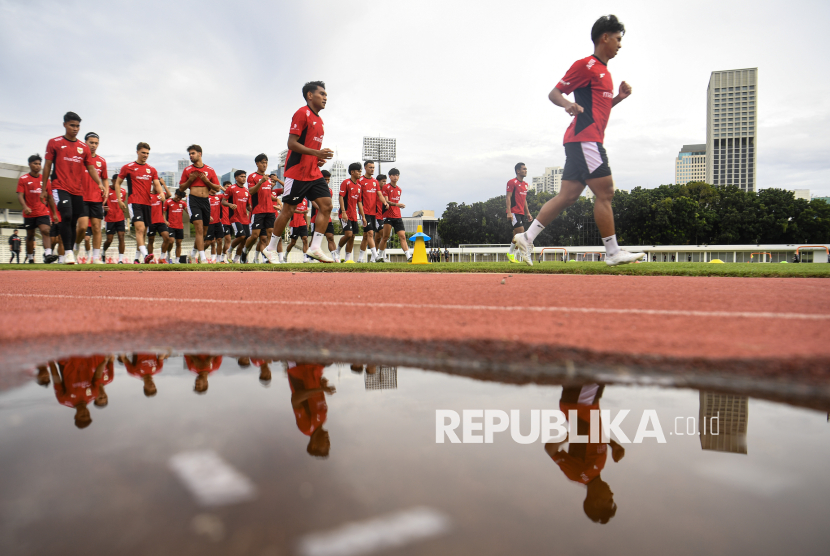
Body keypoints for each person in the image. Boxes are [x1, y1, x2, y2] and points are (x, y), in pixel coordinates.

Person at [512, 15, 644, 267]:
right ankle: (613, 251)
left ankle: (527, 237)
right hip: (586, 139)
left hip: (582, 139)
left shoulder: (606, 73)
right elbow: (554, 93)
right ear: (604, 37)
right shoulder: (587, 65)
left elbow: (600, 109)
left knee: (568, 195)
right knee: (605, 192)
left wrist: (618, 98)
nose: (620, 45)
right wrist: (568, 104)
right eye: (617, 39)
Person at [544, 383, 625, 524]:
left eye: (609, 499)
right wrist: (613, 445)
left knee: (598, 369)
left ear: (597, 502)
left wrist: (570, 436)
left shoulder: (579, 474)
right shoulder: (598, 468)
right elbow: (594, 434)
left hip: (580, 404)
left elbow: (550, 449)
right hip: (585, 403)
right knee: (590, 368)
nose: (612, 494)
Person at [272, 81, 335, 263]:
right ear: (310, 95)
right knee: (288, 210)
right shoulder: (302, 113)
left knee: (327, 206)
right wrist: (316, 153)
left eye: (326, 95)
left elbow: (308, 148)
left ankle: (315, 248)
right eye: (322, 94)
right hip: (297, 171)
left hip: (313, 172)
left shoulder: (320, 121)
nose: (325, 97)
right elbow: (291, 144)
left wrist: (317, 158)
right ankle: (270, 249)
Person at [40, 112, 104, 265]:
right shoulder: (54, 142)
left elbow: (91, 167)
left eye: (77, 126)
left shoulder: (83, 148)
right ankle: (68, 253)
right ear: (65, 125)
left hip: (77, 190)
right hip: (59, 186)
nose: (75, 129)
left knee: (74, 220)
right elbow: (47, 166)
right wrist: (44, 188)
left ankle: (69, 251)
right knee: (66, 215)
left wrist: (99, 183)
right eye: (72, 125)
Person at [114, 142, 164, 264]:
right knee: (140, 229)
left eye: (147, 153)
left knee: (143, 232)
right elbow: (117, 183)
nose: (145, 155)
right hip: (134, 201)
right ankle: (146, 255)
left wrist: (161, 193)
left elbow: (156, 183)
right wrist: (119, 200)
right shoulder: (128, 167)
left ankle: (137, 259)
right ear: (137, 152)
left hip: (147, 203)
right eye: (143, 152)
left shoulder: (151, 169)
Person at [179, 145, 220, 264]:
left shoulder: (210, 170)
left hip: (205, 201)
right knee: (199, 229)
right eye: (190, 154)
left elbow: (217, 188)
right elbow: (181, 188)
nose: (191, 156)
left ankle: (192, 254)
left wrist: (207, 181)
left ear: (200, 154)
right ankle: (202, 258)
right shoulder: (187, 170)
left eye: (193, 153)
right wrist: (190, 180)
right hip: (193, 200)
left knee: (205, 231)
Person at [286, 361, 335, 458]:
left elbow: (295, 399)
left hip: (299, 368)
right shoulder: (323, 419)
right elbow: (314, 394)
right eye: (329, 444)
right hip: (315, 368)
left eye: (325, 445)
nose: (328, 442)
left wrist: (321, 389)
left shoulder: (306, 427)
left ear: (313, 445)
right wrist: (321, 384)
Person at [17, 154, 59, 263]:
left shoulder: (45, 180)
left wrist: (54, 214)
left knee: (45, 231)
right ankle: (30, 258)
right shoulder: (23, 179)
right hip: (29, 213)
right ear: (29, 164)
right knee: (30, 236)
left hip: (43, 212)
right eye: (35, 163)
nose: (37, 166)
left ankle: (48, 254)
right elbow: (20, 195)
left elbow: (50, 198)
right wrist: (25, 207)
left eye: (39, 164)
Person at [75, 132, 108, 264]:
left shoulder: (102, 161)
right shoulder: (79, 159)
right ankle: (76, 245)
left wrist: (105, 191)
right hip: (81, 197)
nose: (94, 145)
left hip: (96, 198)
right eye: (91, 142)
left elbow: (105, 178)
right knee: (82, 227)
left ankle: (95, 258)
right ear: (85, 143)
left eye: (96, 143)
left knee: (96, 228)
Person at [243, 154, 278, 264]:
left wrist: (277, 202)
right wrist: (260, 182)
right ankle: (244, 252)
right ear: (257, 163)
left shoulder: (268, 179)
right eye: (262, 162)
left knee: (269, 235)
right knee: (254, 236)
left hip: (270, 211)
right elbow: (252, 191)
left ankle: (268, 258)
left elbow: (267, 194)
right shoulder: (252, 177)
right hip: (258, 211)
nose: (264, 165)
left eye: (266, 162)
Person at [377, 168, 411, 262]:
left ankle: (408, 256)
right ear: (390, 176)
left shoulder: (399, 189)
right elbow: (386, 200)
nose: (395, 177)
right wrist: (397, 205)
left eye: (397, 175)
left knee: (402, 236)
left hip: (397, 216)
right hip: (388, 216)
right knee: (385, 237)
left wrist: (398, 206)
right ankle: (379, 256)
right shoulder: (386, 187)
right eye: (393, 175)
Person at [335, 162, 363, 262]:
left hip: (354, 215)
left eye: (360, 171)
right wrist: (343, 212)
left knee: (352, 237)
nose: (360, 173)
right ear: (352, 172)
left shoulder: (359, 186)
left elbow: (359, 202)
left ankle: (347, 260)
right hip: (345, 213)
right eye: (358, 171)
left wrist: (363, 217)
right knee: (348, 234)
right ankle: (337, 252)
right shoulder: (346, 182)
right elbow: (341, 197)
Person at [506, 162, 533, 263]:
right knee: (522, 234)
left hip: (521, 213)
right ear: (518, 171)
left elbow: (524, 199)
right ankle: (522, 254)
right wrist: (509, 212)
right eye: (524, 169)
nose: (526, 171)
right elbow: (508, 197)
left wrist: (528, 213)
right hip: (513, 212)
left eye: (526, 169)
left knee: (516, 236)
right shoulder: (512, 182)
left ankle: (511, 254)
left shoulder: (525, 185)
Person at [224, 172, 252, 263]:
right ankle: (230, 250)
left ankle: (236, 259)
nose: (244, 178)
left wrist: (251, 208)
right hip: (235, 217)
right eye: (241, 176)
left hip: (244, 218)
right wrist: (230, 204)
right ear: (236, 177)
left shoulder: (247, 191)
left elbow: (248, 206)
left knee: (245, 240)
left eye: (245, 177)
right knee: (241, 235)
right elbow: (223, 201)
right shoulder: (231, 188)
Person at [310, 169, 338, 261]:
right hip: (316, 218)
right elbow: (314, 203)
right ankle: (309, 257)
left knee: (330, 237)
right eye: (325, 179)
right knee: (314, 239)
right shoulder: (314, 189)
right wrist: (323, 209)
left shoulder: (330, 191)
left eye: (328, 180)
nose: (327, 181)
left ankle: (335, 257)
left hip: (327, 218)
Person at [357, 160, 381, 263]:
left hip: (373, 212)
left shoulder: (375, 181)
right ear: (365, 168)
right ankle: (375, 256)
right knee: (370, 233)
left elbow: (379, 194)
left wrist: (385, 202)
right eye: (370, 167)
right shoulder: (360, 180)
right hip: (364, 212)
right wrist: (362, 214)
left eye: (373, 167)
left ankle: (360, 259)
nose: (372, 169)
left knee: (366, 236)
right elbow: (359, 199)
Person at [102, 179, 128, 263]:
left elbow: (123, 203)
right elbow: (101, 203)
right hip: (110, 218)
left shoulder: (123, 191)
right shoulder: (106, 191)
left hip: (120, 218)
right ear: (112, 181)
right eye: (116, 181)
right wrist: (103, 208)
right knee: (109, 240)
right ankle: (103, 252)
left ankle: (120, 260)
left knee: (121, 237)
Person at [145, 190, 169, 263]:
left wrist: (164, 184)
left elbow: (169, 194)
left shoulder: (161, 194)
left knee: (167, 238)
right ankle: (151, 259)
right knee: (151, 240)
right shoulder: (148, 194)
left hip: (161, 221)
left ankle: (162, 258)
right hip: (151, 221)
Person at [164, 190, 186, 263]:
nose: (178, 199)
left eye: (180, 198)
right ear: (175, 194)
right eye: (178, 197)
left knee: (179, 243)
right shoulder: (168, 202)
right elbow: (163, 212)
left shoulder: (183, 203)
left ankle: (177, 260)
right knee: (171, 241)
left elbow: (188, 211)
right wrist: (165, 221)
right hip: (171, 225)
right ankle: (168, 253)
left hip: (180, 226)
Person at [285, 198, 310, 263]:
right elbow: (291, 210)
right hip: (295, 223)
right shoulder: (294, 199)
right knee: (293, 243)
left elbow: (305, 213)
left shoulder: (305, 201)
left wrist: (307, 223)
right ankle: (285, 256)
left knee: (305, 239)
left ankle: (305, 258)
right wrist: (301, 212)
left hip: (303, 223)